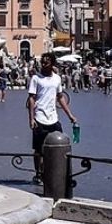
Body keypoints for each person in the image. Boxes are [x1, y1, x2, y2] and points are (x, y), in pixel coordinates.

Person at [27, 53, 77, 185]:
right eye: (42, 62)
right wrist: (31, 118)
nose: (43, 65)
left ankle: (55, 172)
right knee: (38, 150)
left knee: (57, 145)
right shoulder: (36, 79)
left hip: (53, 118)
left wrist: (70, 115)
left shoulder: (57, 79)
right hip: (39, 117)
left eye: (46, 62)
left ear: (52, 64)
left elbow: (60, 97)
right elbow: (31, 98)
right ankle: (38, 173)